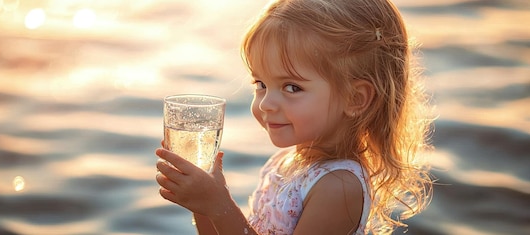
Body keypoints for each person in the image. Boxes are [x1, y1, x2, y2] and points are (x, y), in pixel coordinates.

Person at [155, 0, 434, 234]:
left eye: (292, 87)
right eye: (260, 84)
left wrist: (220, 205)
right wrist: (203, 202)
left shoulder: (338, 187)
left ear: (355, 99)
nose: (265, 103)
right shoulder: (289, 161)